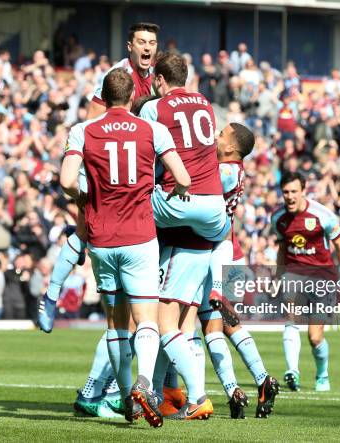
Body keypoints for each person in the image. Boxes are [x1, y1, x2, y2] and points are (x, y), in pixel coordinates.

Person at [59, 67, 191, 427]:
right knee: (145, 318)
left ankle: (126, 401)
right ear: (133, 96)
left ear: (104, 96)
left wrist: (85, 195)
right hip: (139, 236)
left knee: (117, 324)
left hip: (103, 240)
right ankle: (145, 384)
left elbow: (67, 180)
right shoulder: (152, 129)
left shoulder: (82, 130)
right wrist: (177, 191)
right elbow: (183, 177)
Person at [39, 22, 161, 334]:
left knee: (87, 237)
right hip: (105, 172)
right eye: (141, 42)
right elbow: (93, 125)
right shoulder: (118, 77)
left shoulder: (154, 79)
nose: (147, 48)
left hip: (132, 174)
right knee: (83, 232)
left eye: (152, 42)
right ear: (129, 47)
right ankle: (51, 295)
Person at [138, 52, 232, 420]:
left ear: (160, 80)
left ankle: (196, 395)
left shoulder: (156, 108)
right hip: (214, 210)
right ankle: (168, 391)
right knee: (185, 319)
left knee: (129, 199)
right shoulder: (206, 104)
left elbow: (143, 157)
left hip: (182, 200)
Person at [200, 122, 280, 419]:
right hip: (230, 250)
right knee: (230, 324)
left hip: (215, 251)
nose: (216, 137)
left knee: (210, 327)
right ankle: (262, 378)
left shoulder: (225, 171)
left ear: (232, 146)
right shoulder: (234, 168)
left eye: (221, 134)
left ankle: (233, 389)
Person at [271, 171, 340, 392]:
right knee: (292, 319)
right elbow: (281, 248)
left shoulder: (322, 215)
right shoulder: (278, 218)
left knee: (315, 337)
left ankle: (322, 374)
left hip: (322, 277)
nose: (289, 196)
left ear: (303, 191)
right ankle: (292, 371)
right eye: (285, 192)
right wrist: (278, 277)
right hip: (294, 274)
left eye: (294, 191)